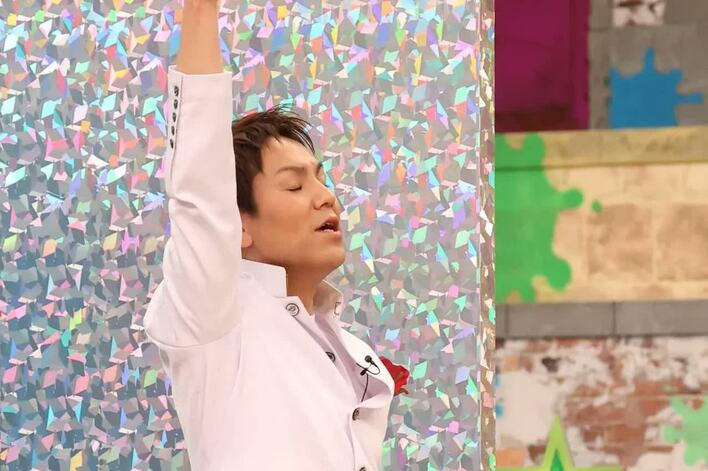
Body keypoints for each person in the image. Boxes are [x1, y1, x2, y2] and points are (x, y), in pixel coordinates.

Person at [142, 1, 395, 469]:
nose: (326, 198)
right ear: (237, 224)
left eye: (321, 180)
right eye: (295, 186)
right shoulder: (217, 315)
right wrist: (200, 13)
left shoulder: (355, 353)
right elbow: (199, 190)